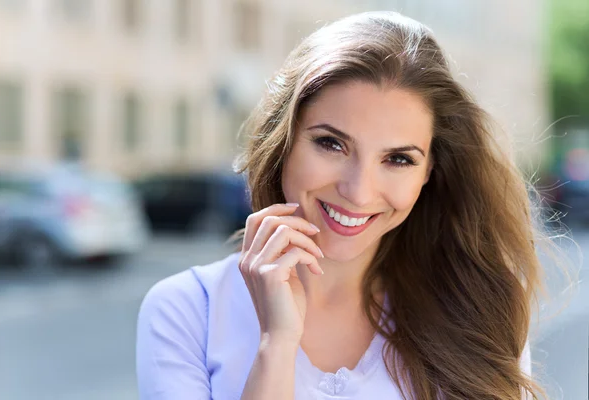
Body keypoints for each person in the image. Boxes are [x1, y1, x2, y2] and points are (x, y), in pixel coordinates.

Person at [136, 11, 548, 399]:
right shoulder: (189, 310)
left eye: (398, 159)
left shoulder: (480, 309)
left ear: (429, 172)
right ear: (284, 141)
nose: (358, 191)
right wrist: (276, 344)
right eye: (331, 144)